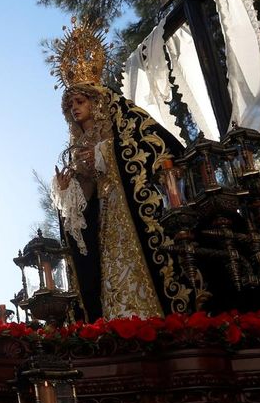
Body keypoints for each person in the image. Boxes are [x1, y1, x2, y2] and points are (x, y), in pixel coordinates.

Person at [50, 27, 198, 321]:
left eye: (80, 101)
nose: (74, 108)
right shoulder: (78, 145)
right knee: (111, 271)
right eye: (70, 104)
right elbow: (87, 198)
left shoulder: (126, 121)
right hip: (105, 215)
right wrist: (70, 190)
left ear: (96, 102)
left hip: (130, 207)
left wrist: (104, 153)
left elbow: (153, 146)